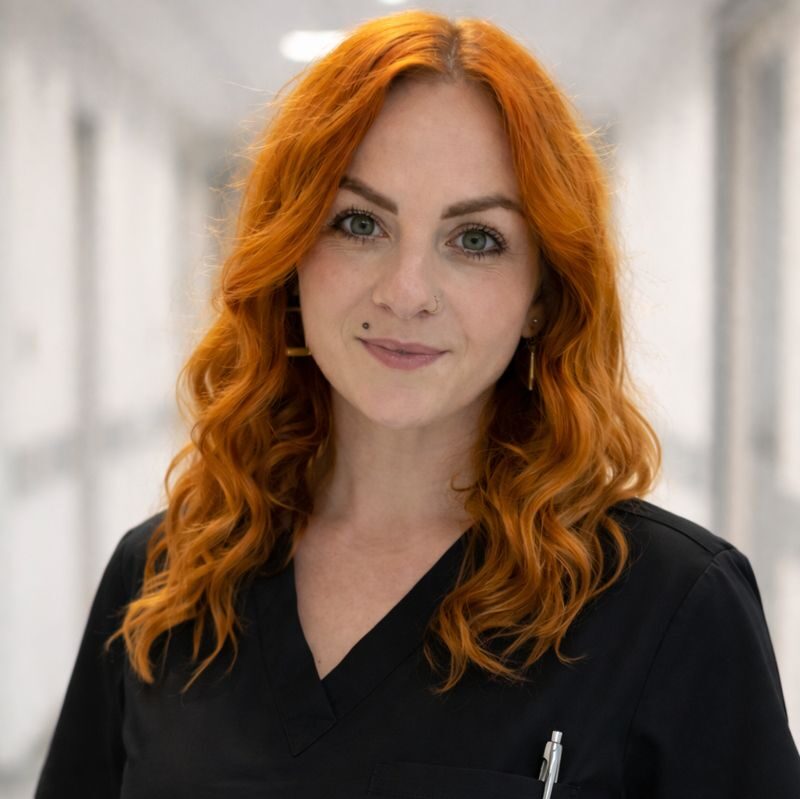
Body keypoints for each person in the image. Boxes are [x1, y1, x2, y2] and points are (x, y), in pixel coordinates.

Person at [36, 9, 800, 799]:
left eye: (475, 239)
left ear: (542, 295)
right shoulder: (162, 580)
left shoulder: (670, 608)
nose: (405, 292)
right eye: (358, 222)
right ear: (291, 255)